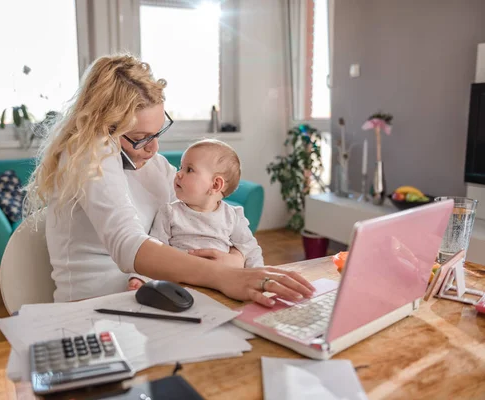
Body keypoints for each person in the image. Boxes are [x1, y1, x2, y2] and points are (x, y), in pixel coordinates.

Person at [24, 53, 315, 306]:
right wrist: (222, 275)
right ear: (104, 128)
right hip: (95, 312)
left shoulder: (154, 166)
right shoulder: (87, 153)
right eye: (140, 139)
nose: (154, 148)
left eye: (158, 133)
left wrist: (236, 259)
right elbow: (128, 245)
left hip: (156, 300)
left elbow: (196, 217)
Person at [128, 139, 263, 290]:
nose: (178, 174)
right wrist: (142, 279)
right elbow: (154, 250)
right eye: (181, 167)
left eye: (189, 169)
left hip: (221, 284)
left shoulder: (232, 216)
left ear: (215, 185)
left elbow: (250, 249)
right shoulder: (169, 212)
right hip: (179, 284)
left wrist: (258, 276)